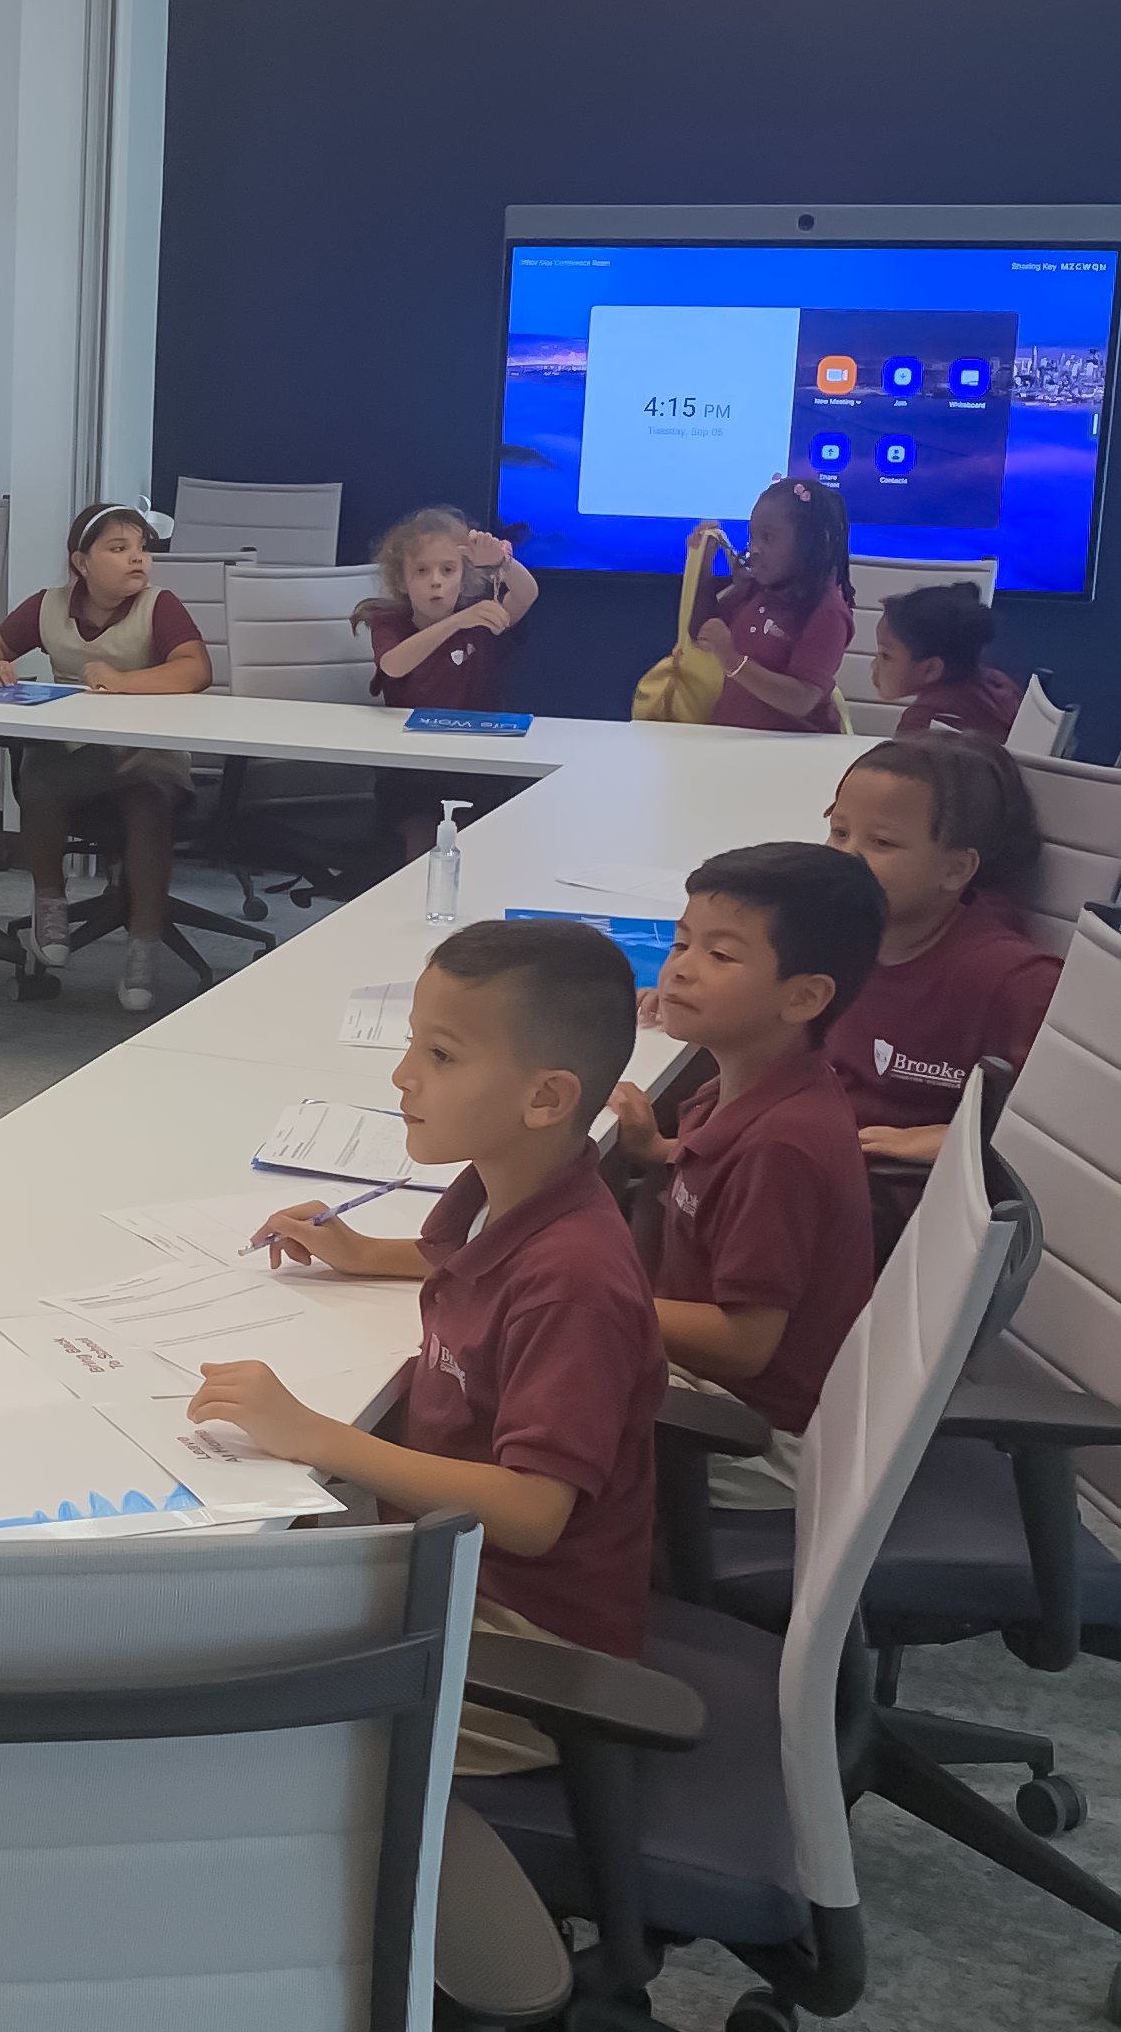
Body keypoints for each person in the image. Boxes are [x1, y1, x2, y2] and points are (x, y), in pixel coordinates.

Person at [191, 918, 664, 1773]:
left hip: (519, 1649)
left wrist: (320, 1438)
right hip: (443, 1571)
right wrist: (366, 1255)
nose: (403, 1076)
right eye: (413, 1045)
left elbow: (530, 1510)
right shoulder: (500, 1195)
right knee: (211, 1601)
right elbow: (477, 1267)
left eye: (440, 1057)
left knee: (204, 1691)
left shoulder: (575, 1281)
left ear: (546, 1098)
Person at [611, 843, 884, 1501]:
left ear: (803, 998)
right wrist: (660, 1152)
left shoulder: (780, 1147)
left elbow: (744, 1343)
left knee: (499, 1389)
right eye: (680, 944)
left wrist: (593, 1300)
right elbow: (714, 1183)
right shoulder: (736, 1089)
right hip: (704, 1391)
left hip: (748, 1436)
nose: (679, 971)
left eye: (720, 955)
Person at [0, 500, 212, 1015]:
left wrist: (124, 684)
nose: (137, 560)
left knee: (146, 805)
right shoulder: (48, 605)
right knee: (39, 780)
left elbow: (194, 670)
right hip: (75, 751)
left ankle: (143, 944)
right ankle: (50, 903)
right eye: (119, 549)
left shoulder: (159, 605)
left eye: (143, 549)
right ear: (81, 562)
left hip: (148, 751)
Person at [823, 733, 1059, 1181]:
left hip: (897, 1203)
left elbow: (1076, 1128)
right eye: (839, 831)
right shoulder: (827, 934)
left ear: (955, 870)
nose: (846, 856)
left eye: (882, 843)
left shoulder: (1013, 979)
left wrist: (964, 1139)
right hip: (812, 1159)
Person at [353, 504, 540, 860]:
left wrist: (502, 564)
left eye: (447, 569)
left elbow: (527, 594)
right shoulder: (390, 621)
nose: (435, 581)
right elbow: (392, 665)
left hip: (477, 768)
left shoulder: (482, 615)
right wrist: (457, 623)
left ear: (464, 576)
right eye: (421, 571)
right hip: (412, 772)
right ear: (402, 581)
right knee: (422, 841)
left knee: (474, 840)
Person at [689, 476, 853, 733]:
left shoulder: (827, 611)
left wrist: (733, 660)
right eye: (753, 537)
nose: (754, 549)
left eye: (768, 537)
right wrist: (704, 563)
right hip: (735, 743)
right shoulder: (756, 589)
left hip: (795, 755)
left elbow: (802, 698)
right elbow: (703, 632)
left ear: (811, 542)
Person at [870, 583, 1021, 741]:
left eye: (886, 655)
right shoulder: (1000, 684)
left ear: (931, 669)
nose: (874, 664)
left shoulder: (925, 719)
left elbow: (896, 766)